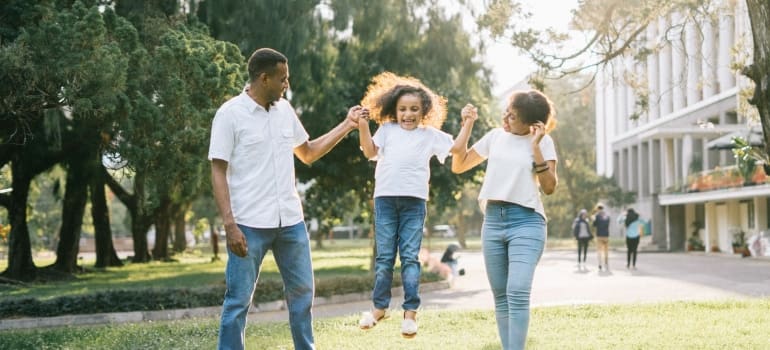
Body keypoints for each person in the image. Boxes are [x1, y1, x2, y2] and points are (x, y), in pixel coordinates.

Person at [208, 48, 364, 350]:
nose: (286, 85)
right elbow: (218, 171)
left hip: (290, 221)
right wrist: (229, 224)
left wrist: (347, 125)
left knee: (303, 294)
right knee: (238, 301)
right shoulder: (230, 114)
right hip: (248, 224)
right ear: (263, 78)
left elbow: (307, 153)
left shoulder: (285, 110)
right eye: (282, 79)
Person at [451, 90, 558, 350]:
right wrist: (467, 124)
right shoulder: (495, 137)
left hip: (527, 222)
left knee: (517, 292)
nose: (506, 117)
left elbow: (550, 187)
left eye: (514, 116)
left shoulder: (543, 142)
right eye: (507, 110)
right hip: (493, 221)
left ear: (532, 124)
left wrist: (535, 148)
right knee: (501, 297)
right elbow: (459, 164)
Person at [356, 72, 453, 338]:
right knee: (385, 258)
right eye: (402, 109)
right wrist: (363, 125)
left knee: (410, 257)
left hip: (414, 203)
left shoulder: (429, 135)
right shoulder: (387, 130)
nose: (408, 114)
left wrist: (467, 123)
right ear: (393, 110)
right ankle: (379, 308)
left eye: (414, 109)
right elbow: (369, 152)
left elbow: (457, 148)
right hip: (385, 200)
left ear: (424, 111)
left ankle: (410, 314)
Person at [592, 204, 611, 270]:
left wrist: (594, 219)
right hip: (606, 235)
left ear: (597, 209)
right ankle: (606, 263)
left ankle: (600, 264)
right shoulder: (607, 216)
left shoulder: (596, 216)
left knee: (599, 250)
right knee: (606, 250)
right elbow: (608, 224)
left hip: (599, 235)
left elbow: (594, 225)